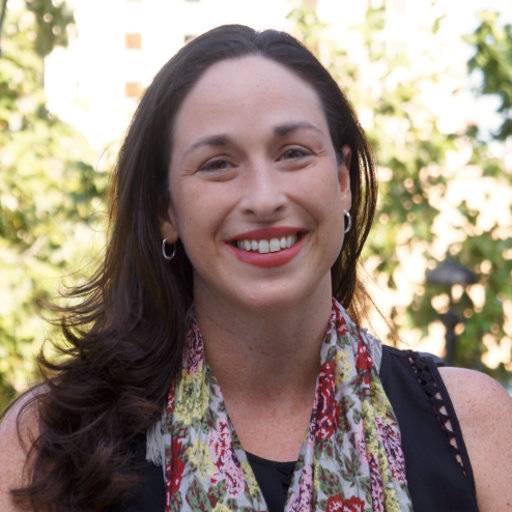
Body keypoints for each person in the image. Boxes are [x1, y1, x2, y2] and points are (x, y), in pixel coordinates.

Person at [1, 24, 511, 512]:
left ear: (341, 183)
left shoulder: (472, 426)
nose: (264, 198)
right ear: (166, 211)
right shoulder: (50, 441)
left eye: (293, 153)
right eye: (218, 163)